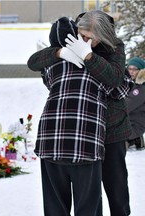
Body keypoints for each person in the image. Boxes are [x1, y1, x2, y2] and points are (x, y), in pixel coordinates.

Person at [27, 11, 131, 216]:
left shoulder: (114, 48)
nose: (83, 40)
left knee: (116, 189)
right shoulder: (70, 44)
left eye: (89, 38)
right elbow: (36, 63)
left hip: (111, 130)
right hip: (81, 131)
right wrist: (59, 53)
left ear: (102, 36)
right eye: (81, 34)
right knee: (83, 196)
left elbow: (117, 80)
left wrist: (88, 57)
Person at [126, 57, 145, 150]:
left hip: (134, 126)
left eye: (134, 69)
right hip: (132, 124)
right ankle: (136, 139)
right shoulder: (133, 84)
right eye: (129, 68)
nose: (131, 72)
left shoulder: (140, 88)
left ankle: (133, 139)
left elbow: (126, 106)